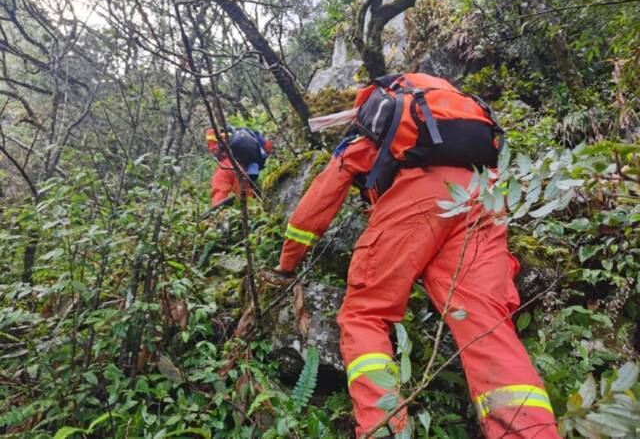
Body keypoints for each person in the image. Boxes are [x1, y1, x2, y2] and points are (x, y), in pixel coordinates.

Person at [273, 73, 560, 438]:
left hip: (420, 196)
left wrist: (287, 263)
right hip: (484, 194)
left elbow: (313, 208)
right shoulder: (456, 124)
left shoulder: (370, 133)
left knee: (365, 314)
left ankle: (384, 429)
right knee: (486, 325)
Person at [206, 127, 272, 209]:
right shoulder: (245, 161)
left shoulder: (224, 169)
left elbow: (219, 197)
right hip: (254, 208)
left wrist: (217, 217)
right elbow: (268, 146)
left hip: (245, 214)